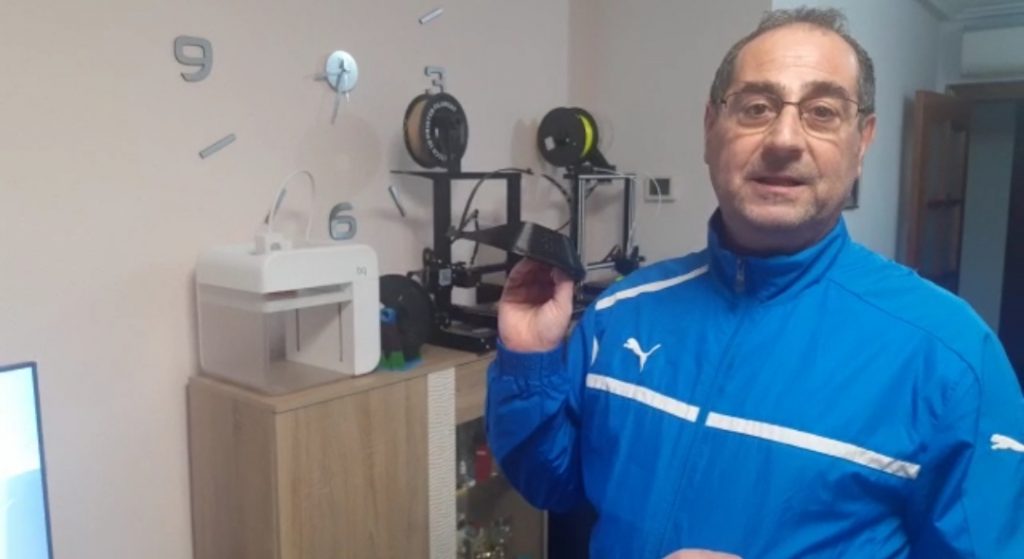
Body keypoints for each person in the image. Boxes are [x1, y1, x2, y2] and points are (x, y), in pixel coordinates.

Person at [486, 7, 1024, 559]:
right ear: (710, 128)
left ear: (862, 141)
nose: (784, 139)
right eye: (756, 107)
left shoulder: (951, 358)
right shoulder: (623, 312)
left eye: (822, 111)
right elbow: (554, 485)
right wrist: (529, 360)